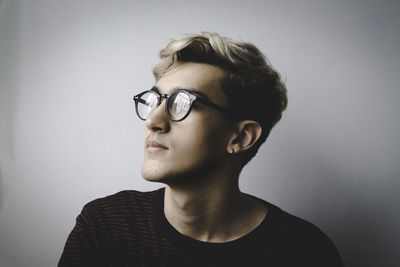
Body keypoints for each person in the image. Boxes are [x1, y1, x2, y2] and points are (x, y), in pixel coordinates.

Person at [58, 32, 343, 266]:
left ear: (241, 137)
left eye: (182, 103)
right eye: (155, 101)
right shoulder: (107, 226)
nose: (153, 121)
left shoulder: (304, 252)